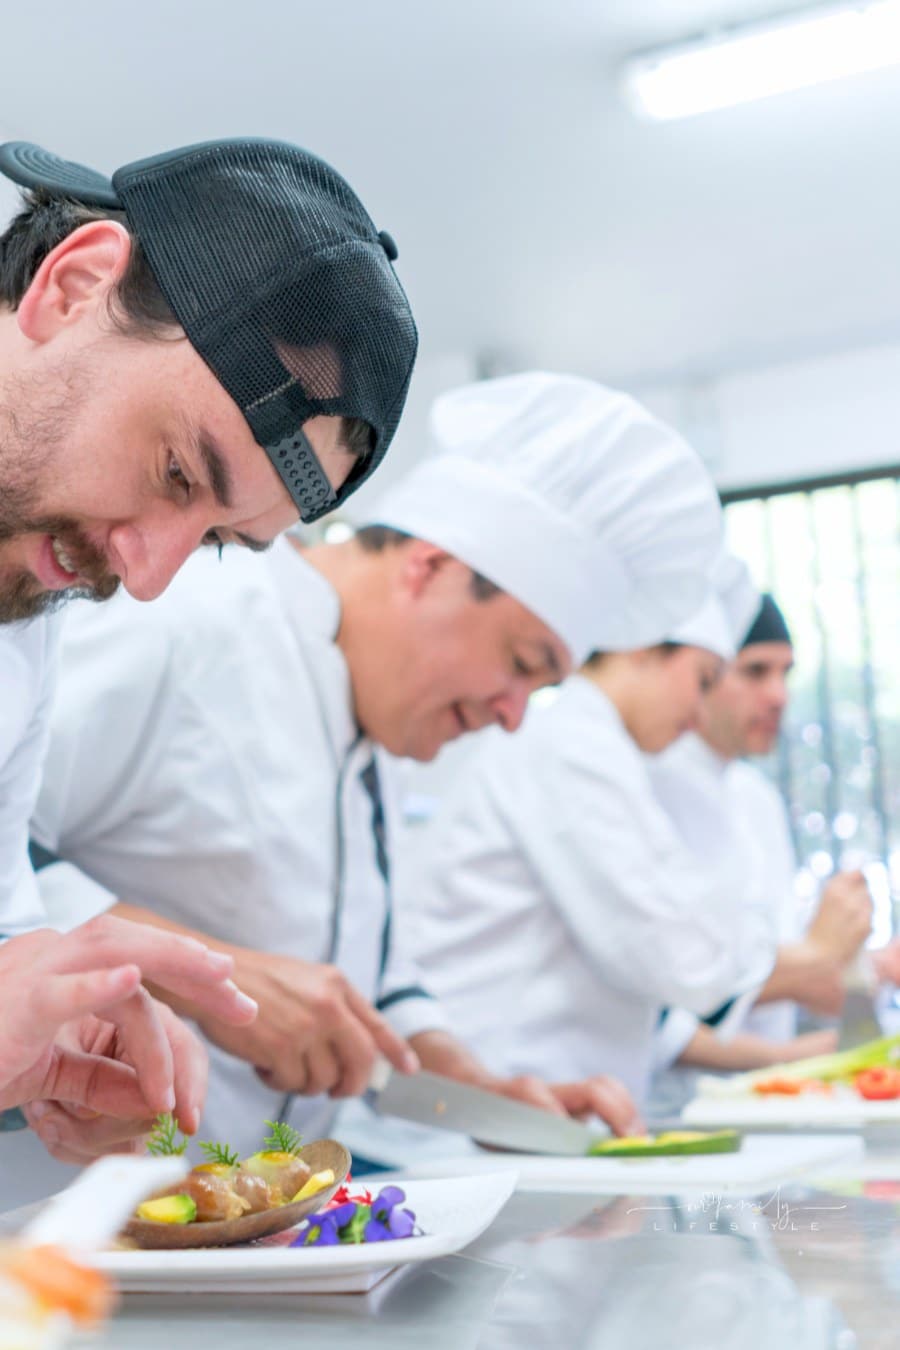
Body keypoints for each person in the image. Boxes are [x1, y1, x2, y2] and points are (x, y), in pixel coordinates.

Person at [31, 371, 724, 1156]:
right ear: (427, 570)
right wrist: (214, 978)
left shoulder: (373, 722)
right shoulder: (190, 613)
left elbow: (378, 979)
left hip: (239, 1233)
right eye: (522, 664)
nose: (512, 715)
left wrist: (476, 1089)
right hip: (57, 1211)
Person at [0, 135, 418, 1157]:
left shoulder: (27, 609)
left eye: (219, 541)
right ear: (75, 287)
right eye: (179, 470)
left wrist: (44, 1043)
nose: (143, 576)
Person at [394, 554, 775, 1110]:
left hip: (530, 1112)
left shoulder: (604, 750)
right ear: (645, 649)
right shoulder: (572, 745)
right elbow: (680, 961)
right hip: (477, 1113)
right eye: (703, 681)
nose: (699, 715)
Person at [648, 593, 894, 1101]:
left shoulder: (755, 798)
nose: (779, 695)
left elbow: (775, 965)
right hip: (676, 1103)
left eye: (786, 673)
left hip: (764, 1106)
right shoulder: (648, 787)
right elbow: (663, 1001)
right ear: (704, 674)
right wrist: (796, 1055)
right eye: (755, 671)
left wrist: (859, 964)